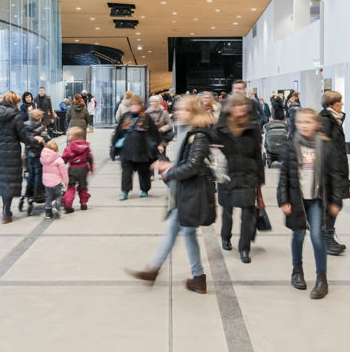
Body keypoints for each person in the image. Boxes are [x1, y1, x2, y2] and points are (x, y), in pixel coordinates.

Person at [128, 95, 215, 294]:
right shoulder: (186, 132)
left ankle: (193, 277)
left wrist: (169, 171)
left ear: (195, 113)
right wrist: (168, 165)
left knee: (185, 233)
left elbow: (193, 166)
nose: (178, 113)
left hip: (191, 193)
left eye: (185, 110)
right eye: (178, 109)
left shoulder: (199, 135)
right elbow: (186, 161)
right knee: (178, 232)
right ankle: (178, 275)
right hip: (184, 192)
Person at [278, 107, 347, 299]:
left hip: (317, 199)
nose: (304, 126)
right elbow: (284, 176)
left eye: (308, 122)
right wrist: (283, 199)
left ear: (316, 124)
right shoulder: (290, 146)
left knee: (317, 236)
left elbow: (335, 175)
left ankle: (322, 278)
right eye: (300, 122)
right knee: (298, 235)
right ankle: (297, 270)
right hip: (297, 199)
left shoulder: (326, 146)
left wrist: (336, 200)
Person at [211, 93, 264, 263]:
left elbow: (258, 154)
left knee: (247, 213)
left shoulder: (253, 127)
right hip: (228, 175)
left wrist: (259, 179)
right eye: (236, 105)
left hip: (248, 175)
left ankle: (244, 248)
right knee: (227, 210)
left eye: (243, 106)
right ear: (229, 109)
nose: (240, 108)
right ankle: (225, 237)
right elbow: (213, 151)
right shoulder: (220, 128)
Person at [0, 91, 43, 223]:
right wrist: (36, 140)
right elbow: (24, 137)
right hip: (12, 152)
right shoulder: (15, 116)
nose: (19, 104)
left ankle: (5, 208)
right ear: (14, 102)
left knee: (4, 181)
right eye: (18, 102)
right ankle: (6, 213)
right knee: (10, 182)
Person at [317, 90, 350, 255]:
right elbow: (324, 149)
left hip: (336, 168)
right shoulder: (325, 120)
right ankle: (326, 237)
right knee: (330, 204)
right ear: (330, 105)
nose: (342, 104)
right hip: (329, 171)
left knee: (335, 203)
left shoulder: (335, 119)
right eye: (339, 102)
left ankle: (328, 235)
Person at [113, 94, 161, 200]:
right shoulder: (125, 116)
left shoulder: (146, 117)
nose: (134, 107)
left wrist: (159, 145)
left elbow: (154, 132)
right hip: (127, 151)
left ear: (141, 106)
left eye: (136, 105)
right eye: (132, 105)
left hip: (142, 151)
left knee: (143, 172)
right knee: (126, 172)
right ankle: (124, 191)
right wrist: (114, 147)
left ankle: (145, 189)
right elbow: (118, 133)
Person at [62, 127, 93, 211]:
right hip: (83, 169)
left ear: (74, 137)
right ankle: (83, 204)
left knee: (71, 187)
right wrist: (91, 168)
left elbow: (64, 158)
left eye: (69, 135)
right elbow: (90, 157)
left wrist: (61, 167)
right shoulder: (86, 146)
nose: (68, 137)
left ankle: (68, 205)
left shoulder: (69, 147)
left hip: (73, 169)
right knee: (83, 186)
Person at [24, 108, 48, 203]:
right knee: (39, 173)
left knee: (31, 173)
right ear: (40, 119)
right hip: (39, 154)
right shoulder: (41, 128)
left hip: (28, 154)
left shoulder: (24, 127)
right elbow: (47, 139)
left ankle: (29, 193)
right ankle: (38, 194)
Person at [40, 140, 68, 219]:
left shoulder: (43, 159)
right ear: (56, 149)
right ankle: (56, 206)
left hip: (46, 181)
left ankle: (48, 213)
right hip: (56, 181)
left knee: (49, 196)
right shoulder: (58, 159)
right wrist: (66, 181)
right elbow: (64, 172)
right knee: (58, 195)